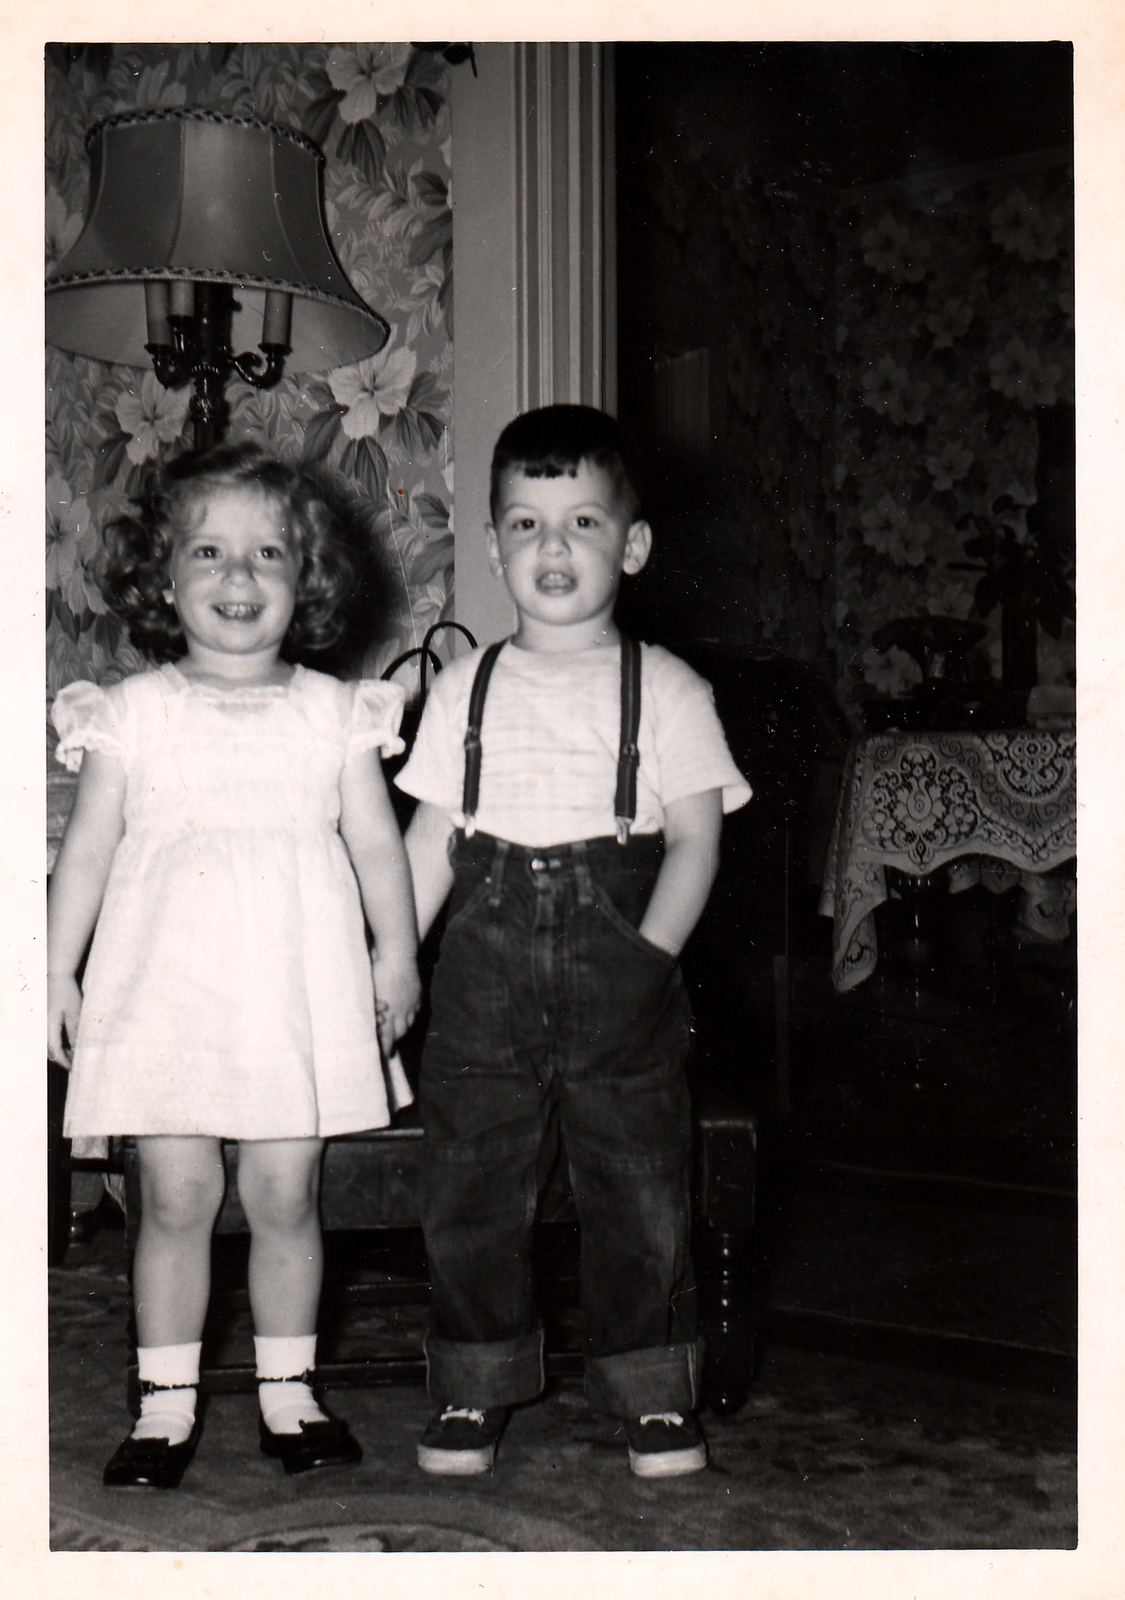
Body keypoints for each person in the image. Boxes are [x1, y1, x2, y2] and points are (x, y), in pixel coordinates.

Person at [46, 443, 421, 1490]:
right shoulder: (130, 713)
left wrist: (396, 951)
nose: (239, 577)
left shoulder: (333, 714)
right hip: (166, 991)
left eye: (268, 553)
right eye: (208, 551)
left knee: (286, 1192)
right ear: (161, 578)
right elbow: (84, 855)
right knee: (171, 1195)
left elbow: (378, 846)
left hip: (291, 995)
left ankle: (289, 1390)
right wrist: (54, 973)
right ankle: (165, 1401)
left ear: (307, 581)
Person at [396, 404, 751, 1479]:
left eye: (584, 522)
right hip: (482, 977)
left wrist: (650, 956)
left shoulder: (670, 688)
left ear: (632, 546)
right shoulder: (464, 687)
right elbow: (427, 840)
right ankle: (473, 1385)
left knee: (638, 1187)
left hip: (621, 967)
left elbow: (694, 839)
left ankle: (650, 1393)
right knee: (471, 1187)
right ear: (496, 544)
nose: (555, 549)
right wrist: (391, 964)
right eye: (528, 523)